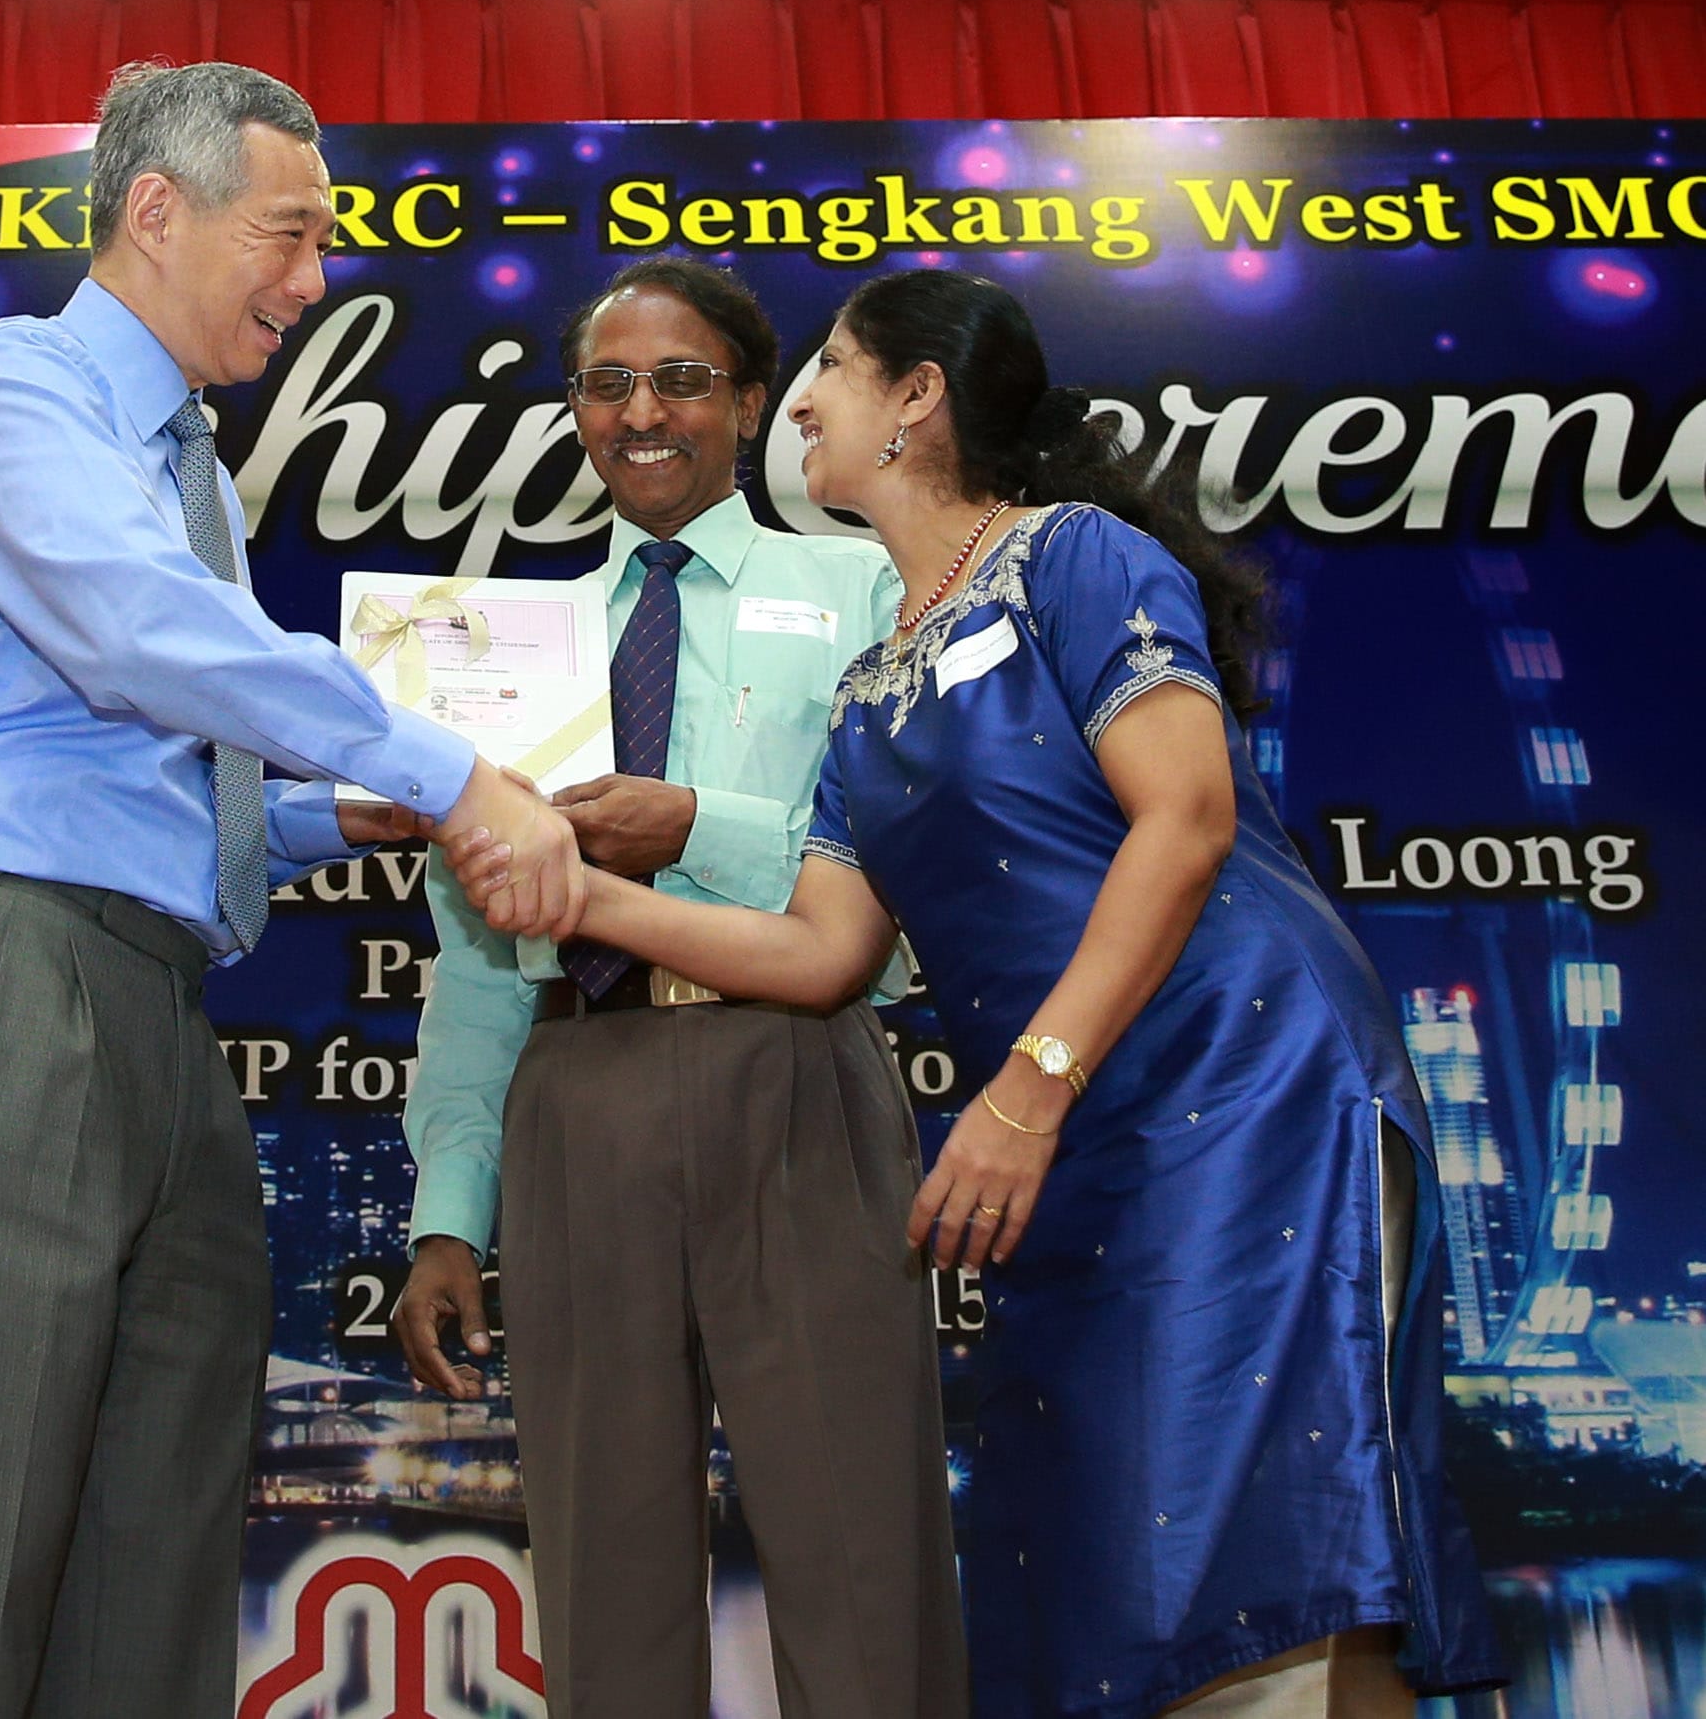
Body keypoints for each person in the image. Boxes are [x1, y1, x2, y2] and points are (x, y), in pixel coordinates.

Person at [451, 267, 1507, 1716]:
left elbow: (1188, 818)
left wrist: (1026, 1088)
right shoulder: (874, 683)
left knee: (1296, 1538)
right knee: (1127, 1556)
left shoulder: (1075, 557)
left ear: (917, 399)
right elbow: (822, 951)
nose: (801, 404)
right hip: (1074, 1137)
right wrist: (565, 886)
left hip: (1243, 1090)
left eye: (830, 368)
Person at [0, 60, 581, 1719]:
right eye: (289, 234)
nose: (315, 280)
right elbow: (135, 633)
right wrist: (458, 774)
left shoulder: (199, 473)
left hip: (157, 999)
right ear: (155, 207)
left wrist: (348, 814)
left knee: (154, 1539)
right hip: (4, 968)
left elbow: (160, 766)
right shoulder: (14, 387)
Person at [391, 257, 967, 1719]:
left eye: (682, 380)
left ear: (754, 404)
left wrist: (693, 824)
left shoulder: (866, 587)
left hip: (798, 1066)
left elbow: (919, 875)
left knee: (864, 1565)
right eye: (608, 384)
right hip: (575, 1092)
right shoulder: (500, 647)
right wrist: (450, 1212)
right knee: (603, 1581)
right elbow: (474, 955)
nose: (641, 413)